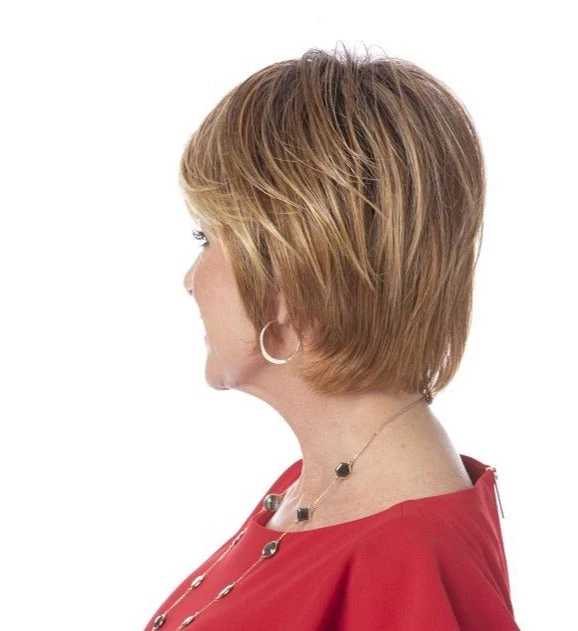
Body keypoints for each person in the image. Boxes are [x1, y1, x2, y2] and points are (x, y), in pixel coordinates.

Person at [144, 43, 520, 630]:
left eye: (207, 238)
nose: (190, 280)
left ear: (294, 268)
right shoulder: (312, 488)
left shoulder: (405, 554)